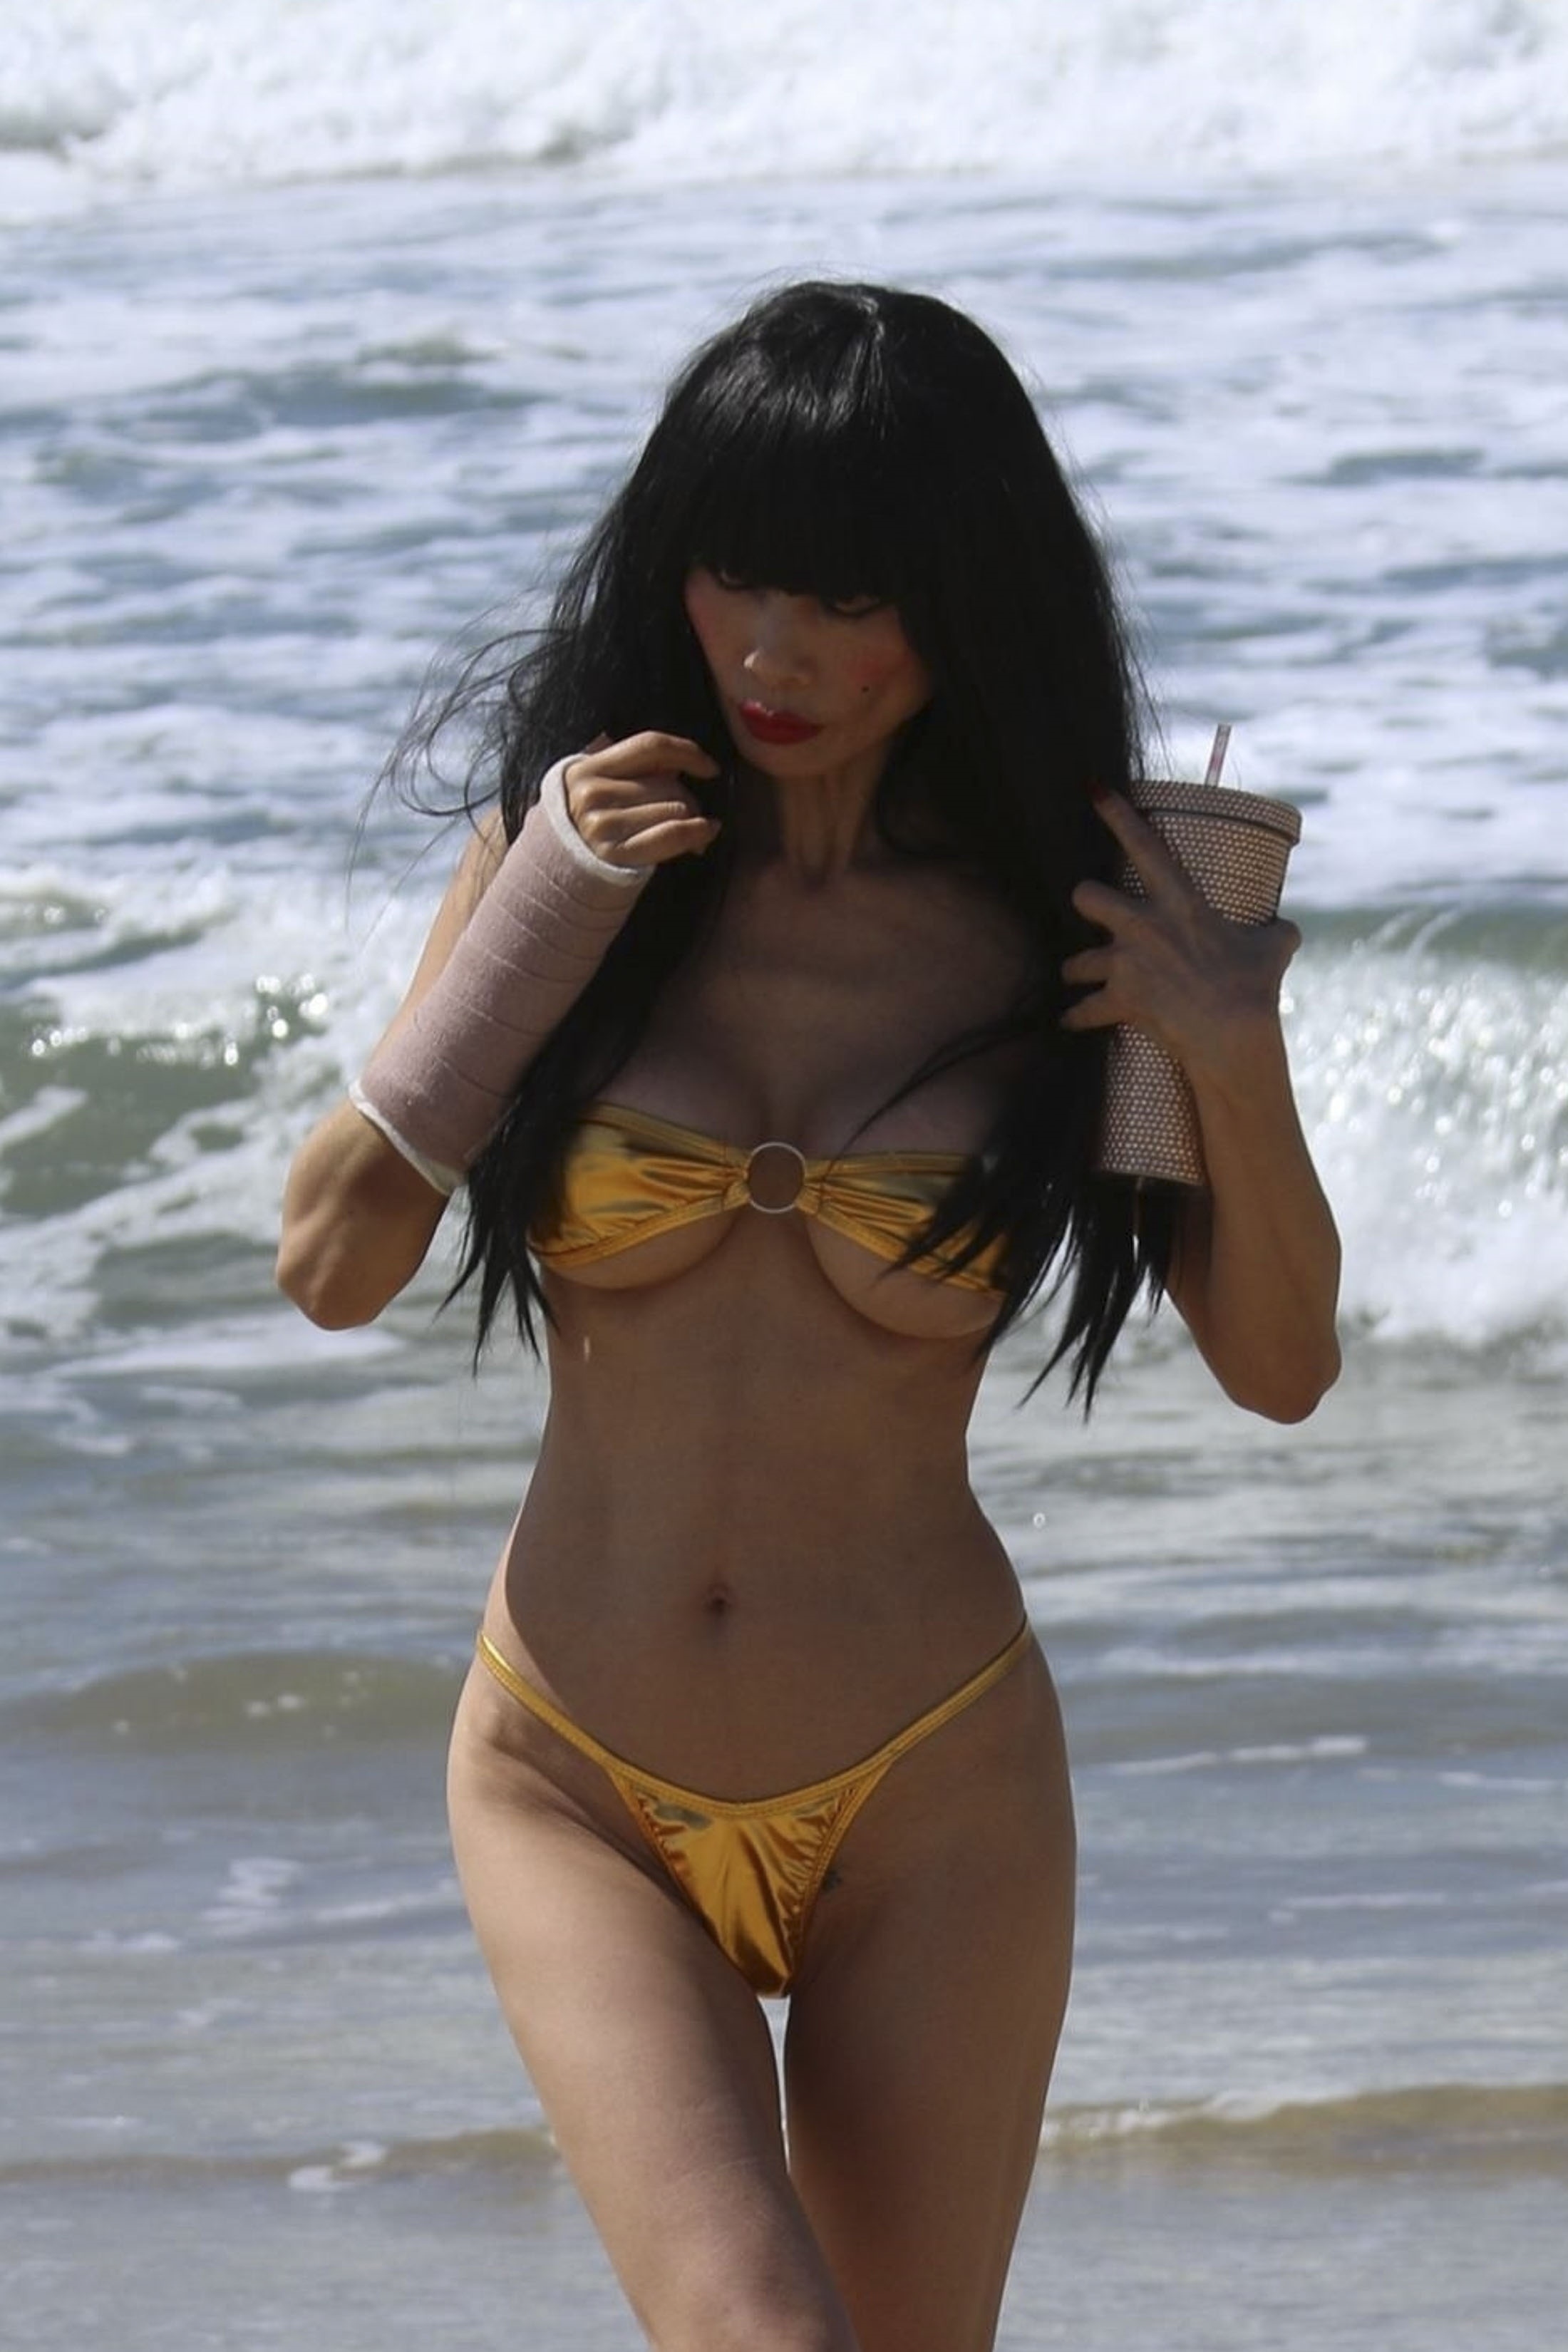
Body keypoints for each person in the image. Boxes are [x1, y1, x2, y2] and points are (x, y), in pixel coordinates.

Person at [277, 281, 1340, 2352]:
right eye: (735, 575)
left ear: (962, 602)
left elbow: (1282, 1367)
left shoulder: (1077, 931)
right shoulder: (568, 867)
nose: (775, 650)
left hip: (933, 1790)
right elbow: (330, 1264)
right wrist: (530, 929)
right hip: (573, 1771)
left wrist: (1234, 1053)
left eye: (850, 597)